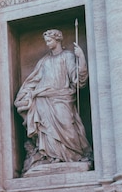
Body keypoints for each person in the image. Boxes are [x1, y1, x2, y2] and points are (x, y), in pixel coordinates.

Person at [14, 29, 93, 173]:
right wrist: (25, 94)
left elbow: (77, 80)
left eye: (49, 40)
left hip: (63, 98)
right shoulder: (44, 61)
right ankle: (52, 156)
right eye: (46, 41)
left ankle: (76, 155)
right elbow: (34, 80)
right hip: (43, 99)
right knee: (47, 130)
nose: (47, 43)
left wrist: (81, 58)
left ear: (58, 40)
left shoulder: (68, 56)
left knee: (68, 126)